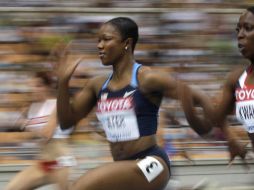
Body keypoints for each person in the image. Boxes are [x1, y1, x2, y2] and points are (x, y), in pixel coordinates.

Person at [57, 17, 212, 190]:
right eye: (98, 40)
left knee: (80, 187)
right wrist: (62, 83)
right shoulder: (97, 85)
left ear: (127, 43)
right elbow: (65, 123)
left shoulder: (147, 78)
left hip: (151, 163)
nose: (100, 45)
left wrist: (205, 127)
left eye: (106, 39)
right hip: (123, 166)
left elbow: (200, 97)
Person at [181, 7, 254, 166]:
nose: (240, 35)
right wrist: (195, 96)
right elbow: (210, 123)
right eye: (238, 29)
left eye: (248, 28)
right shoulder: (236, 80)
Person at [4, 71, 76, 190]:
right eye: (32, 86)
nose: (34, 89)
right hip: (45, 162)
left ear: (48, 87)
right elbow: (32, 134)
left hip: (61, 161)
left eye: (38, 86)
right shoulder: (32, 108)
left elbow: (47, 133)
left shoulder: (58, 104)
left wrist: (25, 123)